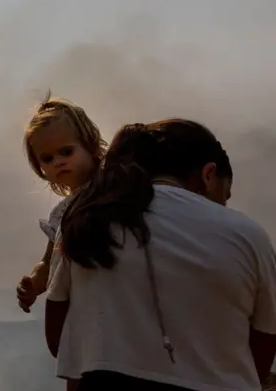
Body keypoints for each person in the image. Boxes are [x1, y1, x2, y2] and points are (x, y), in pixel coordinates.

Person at [45, 119, 276, 390]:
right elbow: (265, 341)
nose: (223, 206)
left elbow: (57, 338)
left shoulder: (85, 220)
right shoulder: (248, 235)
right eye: (223, 197)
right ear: (208, 175)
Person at [16, 96, 107, 314]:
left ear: (90, 146)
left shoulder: (113, 191)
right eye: (47, 158)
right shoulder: (63, 212)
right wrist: (33, 285)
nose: (58, 161)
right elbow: (49, 263)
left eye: (67, 152)